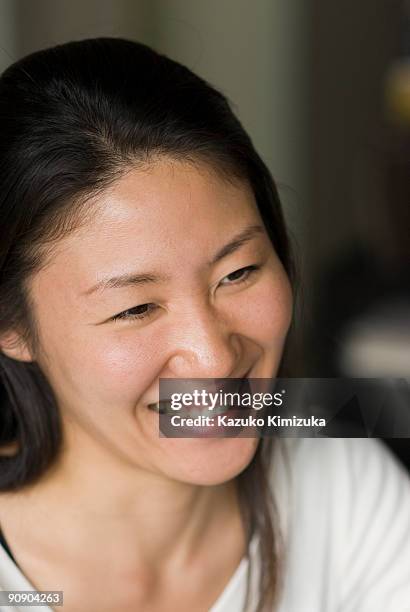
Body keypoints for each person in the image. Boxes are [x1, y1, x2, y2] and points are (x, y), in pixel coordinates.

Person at [0, 38, 408, 612]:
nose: (214, 356)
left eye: (238, 273)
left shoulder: (341, 480)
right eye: (136, 309)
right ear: (12, 326)